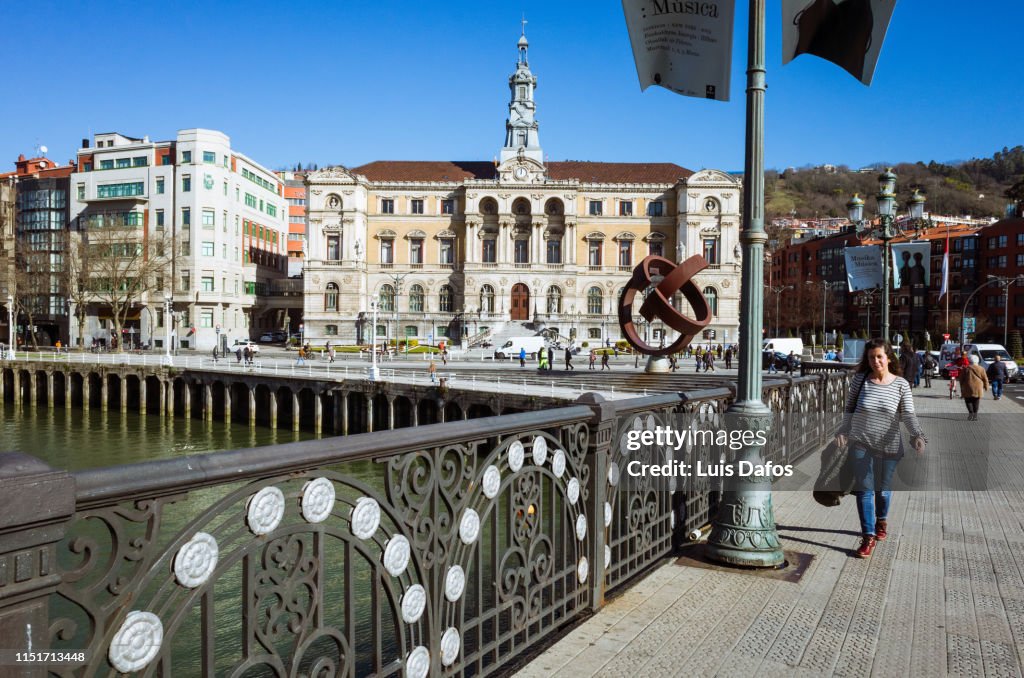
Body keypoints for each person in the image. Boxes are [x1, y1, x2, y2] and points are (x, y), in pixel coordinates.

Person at [835, 339, 927, 558]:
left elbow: (908, 414)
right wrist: (843, 431)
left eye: (879, 356)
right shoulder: (860, 380)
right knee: (864, 490)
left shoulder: (901, 384)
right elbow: (849, 409)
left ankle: (881, 520)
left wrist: (917, 435)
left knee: (882, 491)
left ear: (888, 358)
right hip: (861, 442)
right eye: (870, 357)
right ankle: (868, 536)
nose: (875, 361)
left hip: (890, 445)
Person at [958, 354, 989, 420]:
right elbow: (985, 379)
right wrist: (986, 387)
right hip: (978, 387)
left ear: (969, 361)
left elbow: (961, 379)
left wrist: (961, 387)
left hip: (967, 386)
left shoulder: (966, 368)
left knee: (968, 400)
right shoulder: (981, 369)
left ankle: (970, 413)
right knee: (976, 401)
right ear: (977, 361)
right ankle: (975, 416)